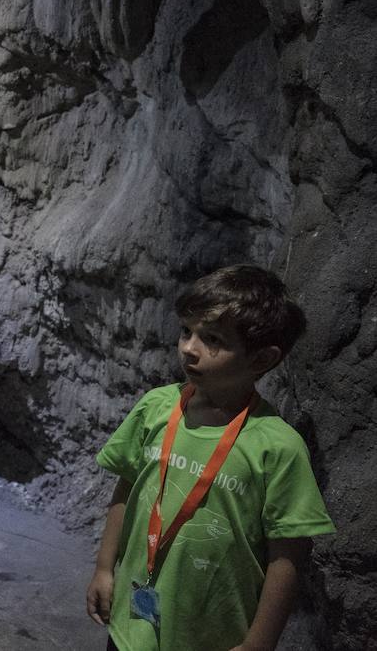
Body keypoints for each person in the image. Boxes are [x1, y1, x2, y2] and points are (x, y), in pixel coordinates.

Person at [85, 265, 334, 651]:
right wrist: (104, 568)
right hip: (130, 626)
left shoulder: (278, 448)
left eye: (212, 339)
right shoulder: (156, 407)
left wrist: (258, 642)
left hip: (211, 638)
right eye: (186, 331)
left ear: (261, 359)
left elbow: (288, 558)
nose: (188, 347)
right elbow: (127, 487)